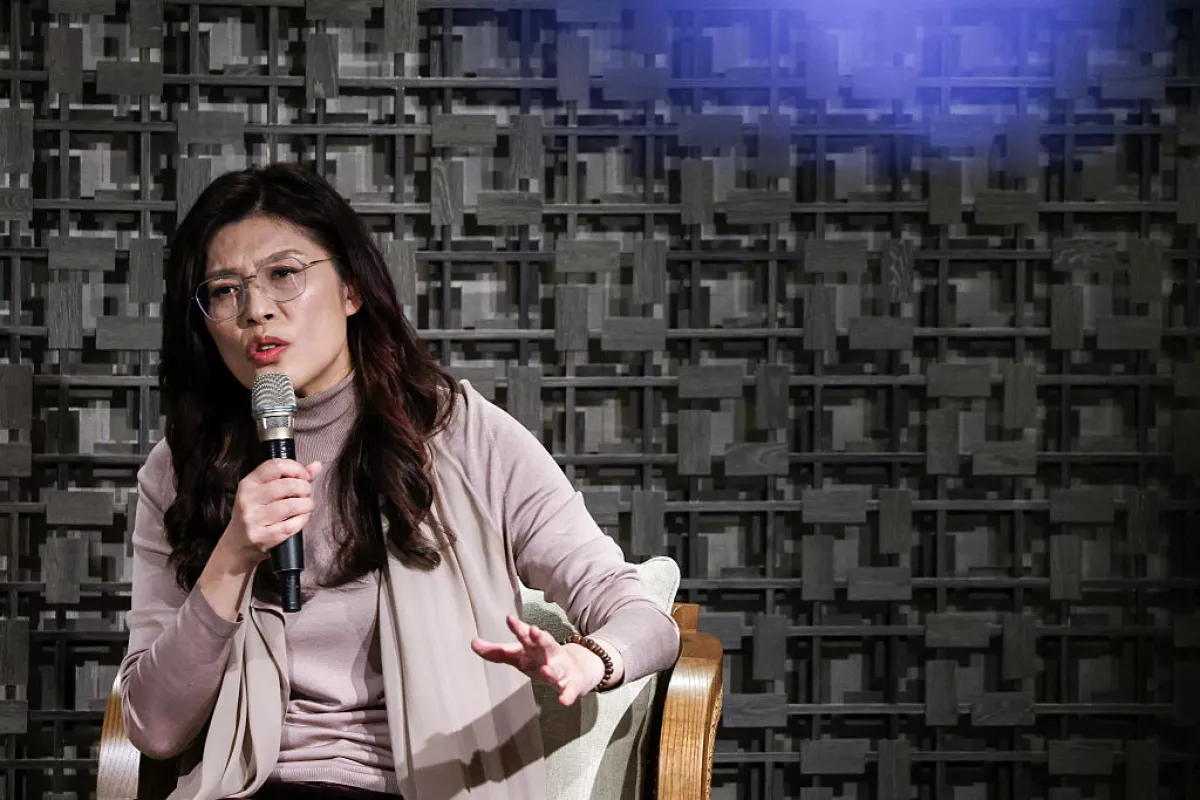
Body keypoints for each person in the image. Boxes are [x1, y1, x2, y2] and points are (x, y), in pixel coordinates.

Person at [118, 162, 681, 800]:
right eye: (225, 289)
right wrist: (233, 556)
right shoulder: (183, 468)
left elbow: (643, 617)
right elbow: (155, 728)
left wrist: (589, 659)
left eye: (284, 274)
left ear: (352, 288)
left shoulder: (464, 435)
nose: (257, 310)